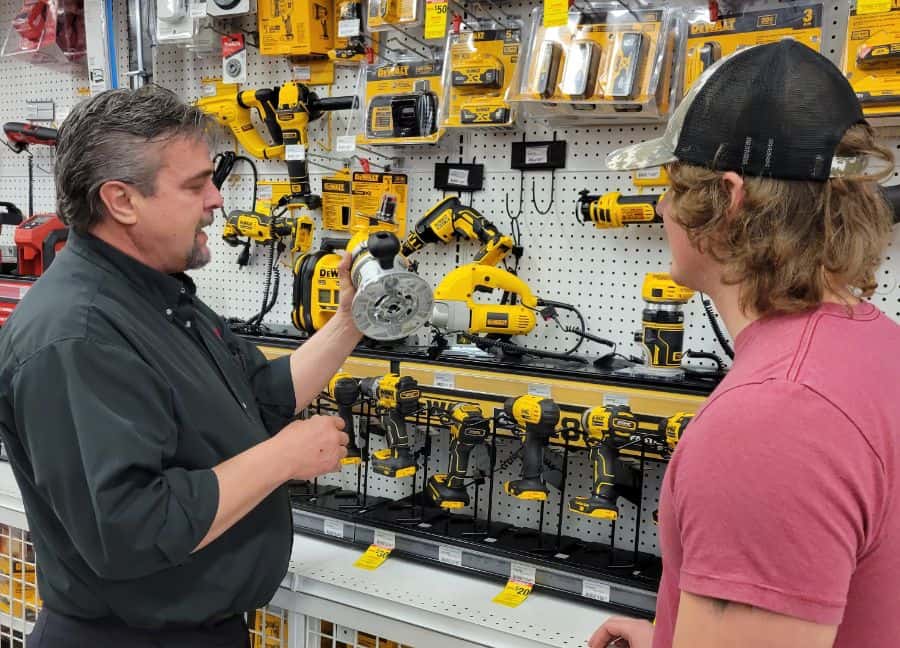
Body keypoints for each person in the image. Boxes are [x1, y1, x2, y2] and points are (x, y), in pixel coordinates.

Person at [0, 85, 362, 647]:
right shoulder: (79, 335)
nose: (217, 199)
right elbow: (130, 527)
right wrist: (283, 457)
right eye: (197, 185)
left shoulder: (156, 296)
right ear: (122, 200)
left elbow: (258, 397)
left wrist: (349, 323)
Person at [589, 41, 900, 648]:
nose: (659, 205)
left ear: (726, 201)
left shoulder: (775, 421)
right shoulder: (875, 349)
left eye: (673, 183)